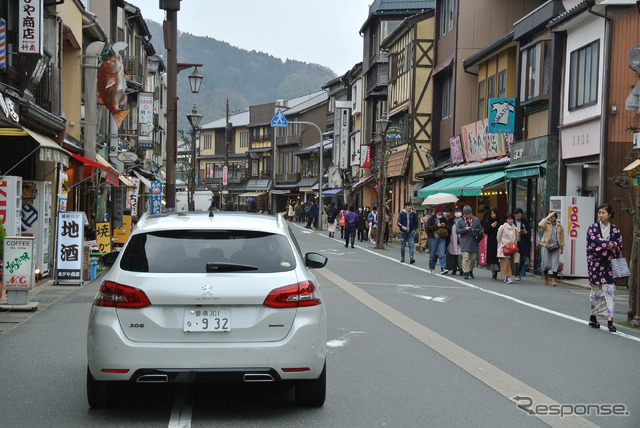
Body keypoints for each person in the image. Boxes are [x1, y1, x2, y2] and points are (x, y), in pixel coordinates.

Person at [586, 204, 623, 332]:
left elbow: (618, 245)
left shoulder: (615, 230)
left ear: (609, 215)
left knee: (610, 291)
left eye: (603, 213)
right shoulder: (592, 228)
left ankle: (610, 319)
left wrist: (609, 246)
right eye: (599, 213)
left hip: (609, 264)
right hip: (596, 264)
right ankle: (593, 316)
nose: (600, 215)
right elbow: (592, 243)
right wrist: (608, 245)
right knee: (596, 292)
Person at [456, 204, 482, 279]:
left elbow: (480, 229)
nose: (468, 215)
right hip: (464, 241)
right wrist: (465, 229)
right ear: (463, 214)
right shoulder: (460, 221)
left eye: (469, 214)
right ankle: (466, 272)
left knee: (473, 258)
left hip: (474, 241)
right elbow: (457, 231)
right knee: (466, 257)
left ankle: (471, 270)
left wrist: (476, 231)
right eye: (466, 214)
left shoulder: (476, 220)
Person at [539, 210, 565, 286]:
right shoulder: (546, 224)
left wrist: (562, 248)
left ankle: (554, 279)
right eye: (550, 216)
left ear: (556, 217)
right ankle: (546, 277)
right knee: (545, 262)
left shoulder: (559, 226)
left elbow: (561, 237)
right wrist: (547, 217)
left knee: (555, 263)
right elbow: (540, 224)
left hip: (556, 246)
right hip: (546, 245)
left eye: (553, 216)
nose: (552, 218)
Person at [496, 212, 519, 284]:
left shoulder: (515, 228)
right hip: (504, 247)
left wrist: (514, 244)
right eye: (509, 219)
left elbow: (517, 238)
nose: (511, 220)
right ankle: (508, 277)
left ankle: (507, 276)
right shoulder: (502, 227)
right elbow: (498, 237)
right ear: (506, 220)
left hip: (512, 247)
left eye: (512, 219)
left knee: (511, 262)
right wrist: (502, 244)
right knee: (506, 262)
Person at [426, 205, 449, 274]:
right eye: (439, 214)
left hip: (441, 238)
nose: (440, 215)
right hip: (432, 238)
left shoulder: (444, 219)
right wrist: (437, 226)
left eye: (441, 214)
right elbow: (427, 228)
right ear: (436, 213)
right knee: (432, 255)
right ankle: (432, 268)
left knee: (442, 254)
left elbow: (449, 227)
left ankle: (443, 268)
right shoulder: (431, 219)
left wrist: (445, 226)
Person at [483, 207, 502, 280]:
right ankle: (493, 273)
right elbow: (486, 231)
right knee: (491, 257)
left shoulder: (500, 222)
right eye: (491, 214)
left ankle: (497, 271)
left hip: (498, 241)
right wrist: (491, 227)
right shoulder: (488, 222)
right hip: (491, 241)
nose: (493, 215)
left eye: (494, 213)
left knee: (497, 257)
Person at [514, 207, 531, 280]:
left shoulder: (525, 221)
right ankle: (517, 274)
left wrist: (526, 232)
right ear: (515, 215)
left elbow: (529, 231)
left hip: (523, 241)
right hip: (514, 241)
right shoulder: (512, 221)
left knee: (523, 258)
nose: (519, 217)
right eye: (518, 216)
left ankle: (519, 270)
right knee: (516, 258)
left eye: (520, 216)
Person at [446, 207, 463, 275]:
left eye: (459, 210)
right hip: (452, 240)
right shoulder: (450, 220)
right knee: (452, 255)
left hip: (461, 240)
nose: (458, 212)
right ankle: (453, 268)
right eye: (456, 211)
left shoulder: (464, 220)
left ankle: (461, 269)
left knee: (460, 255)